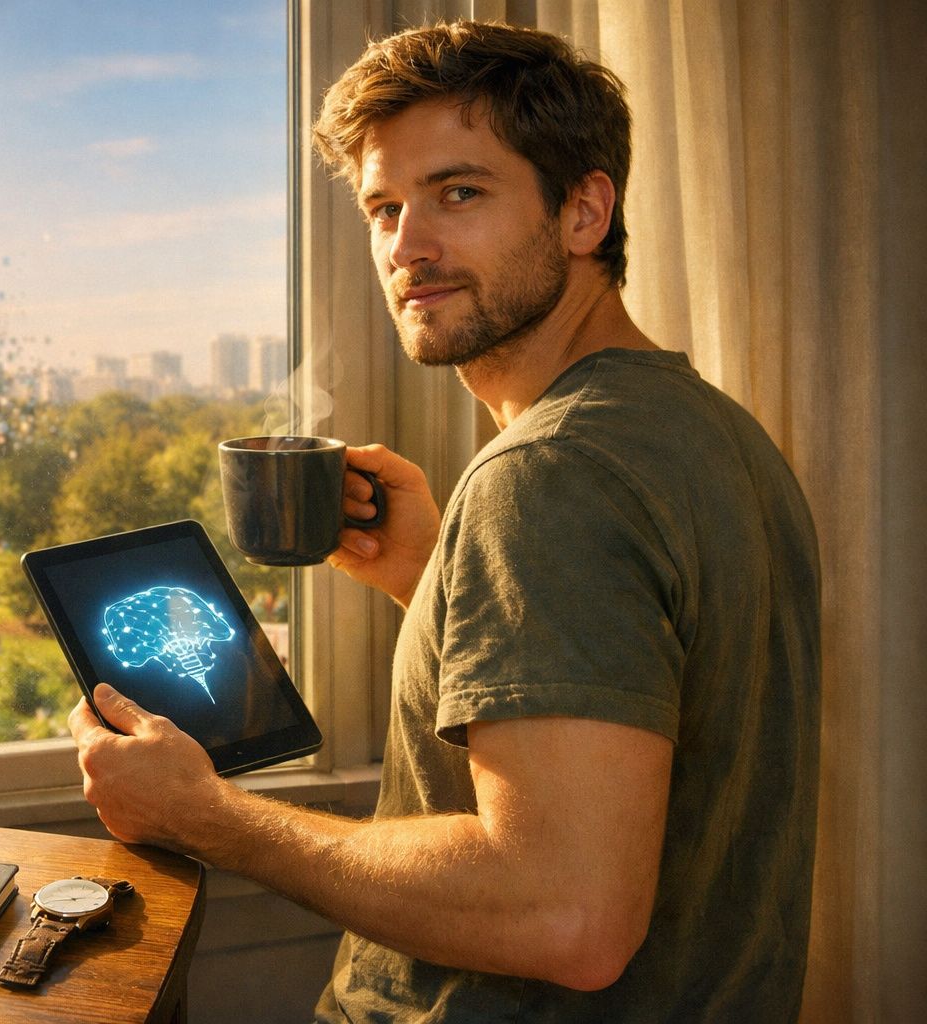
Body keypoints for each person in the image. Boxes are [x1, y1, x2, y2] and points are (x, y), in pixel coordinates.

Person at [68, 21, 820, 1022]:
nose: (406, 246)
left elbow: (567, 915)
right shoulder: (716, 435)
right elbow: (636, 717)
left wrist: (207, 816)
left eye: (459, 192)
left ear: (585, 210)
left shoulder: (550, 474)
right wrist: (435, 573)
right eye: (384, 207)